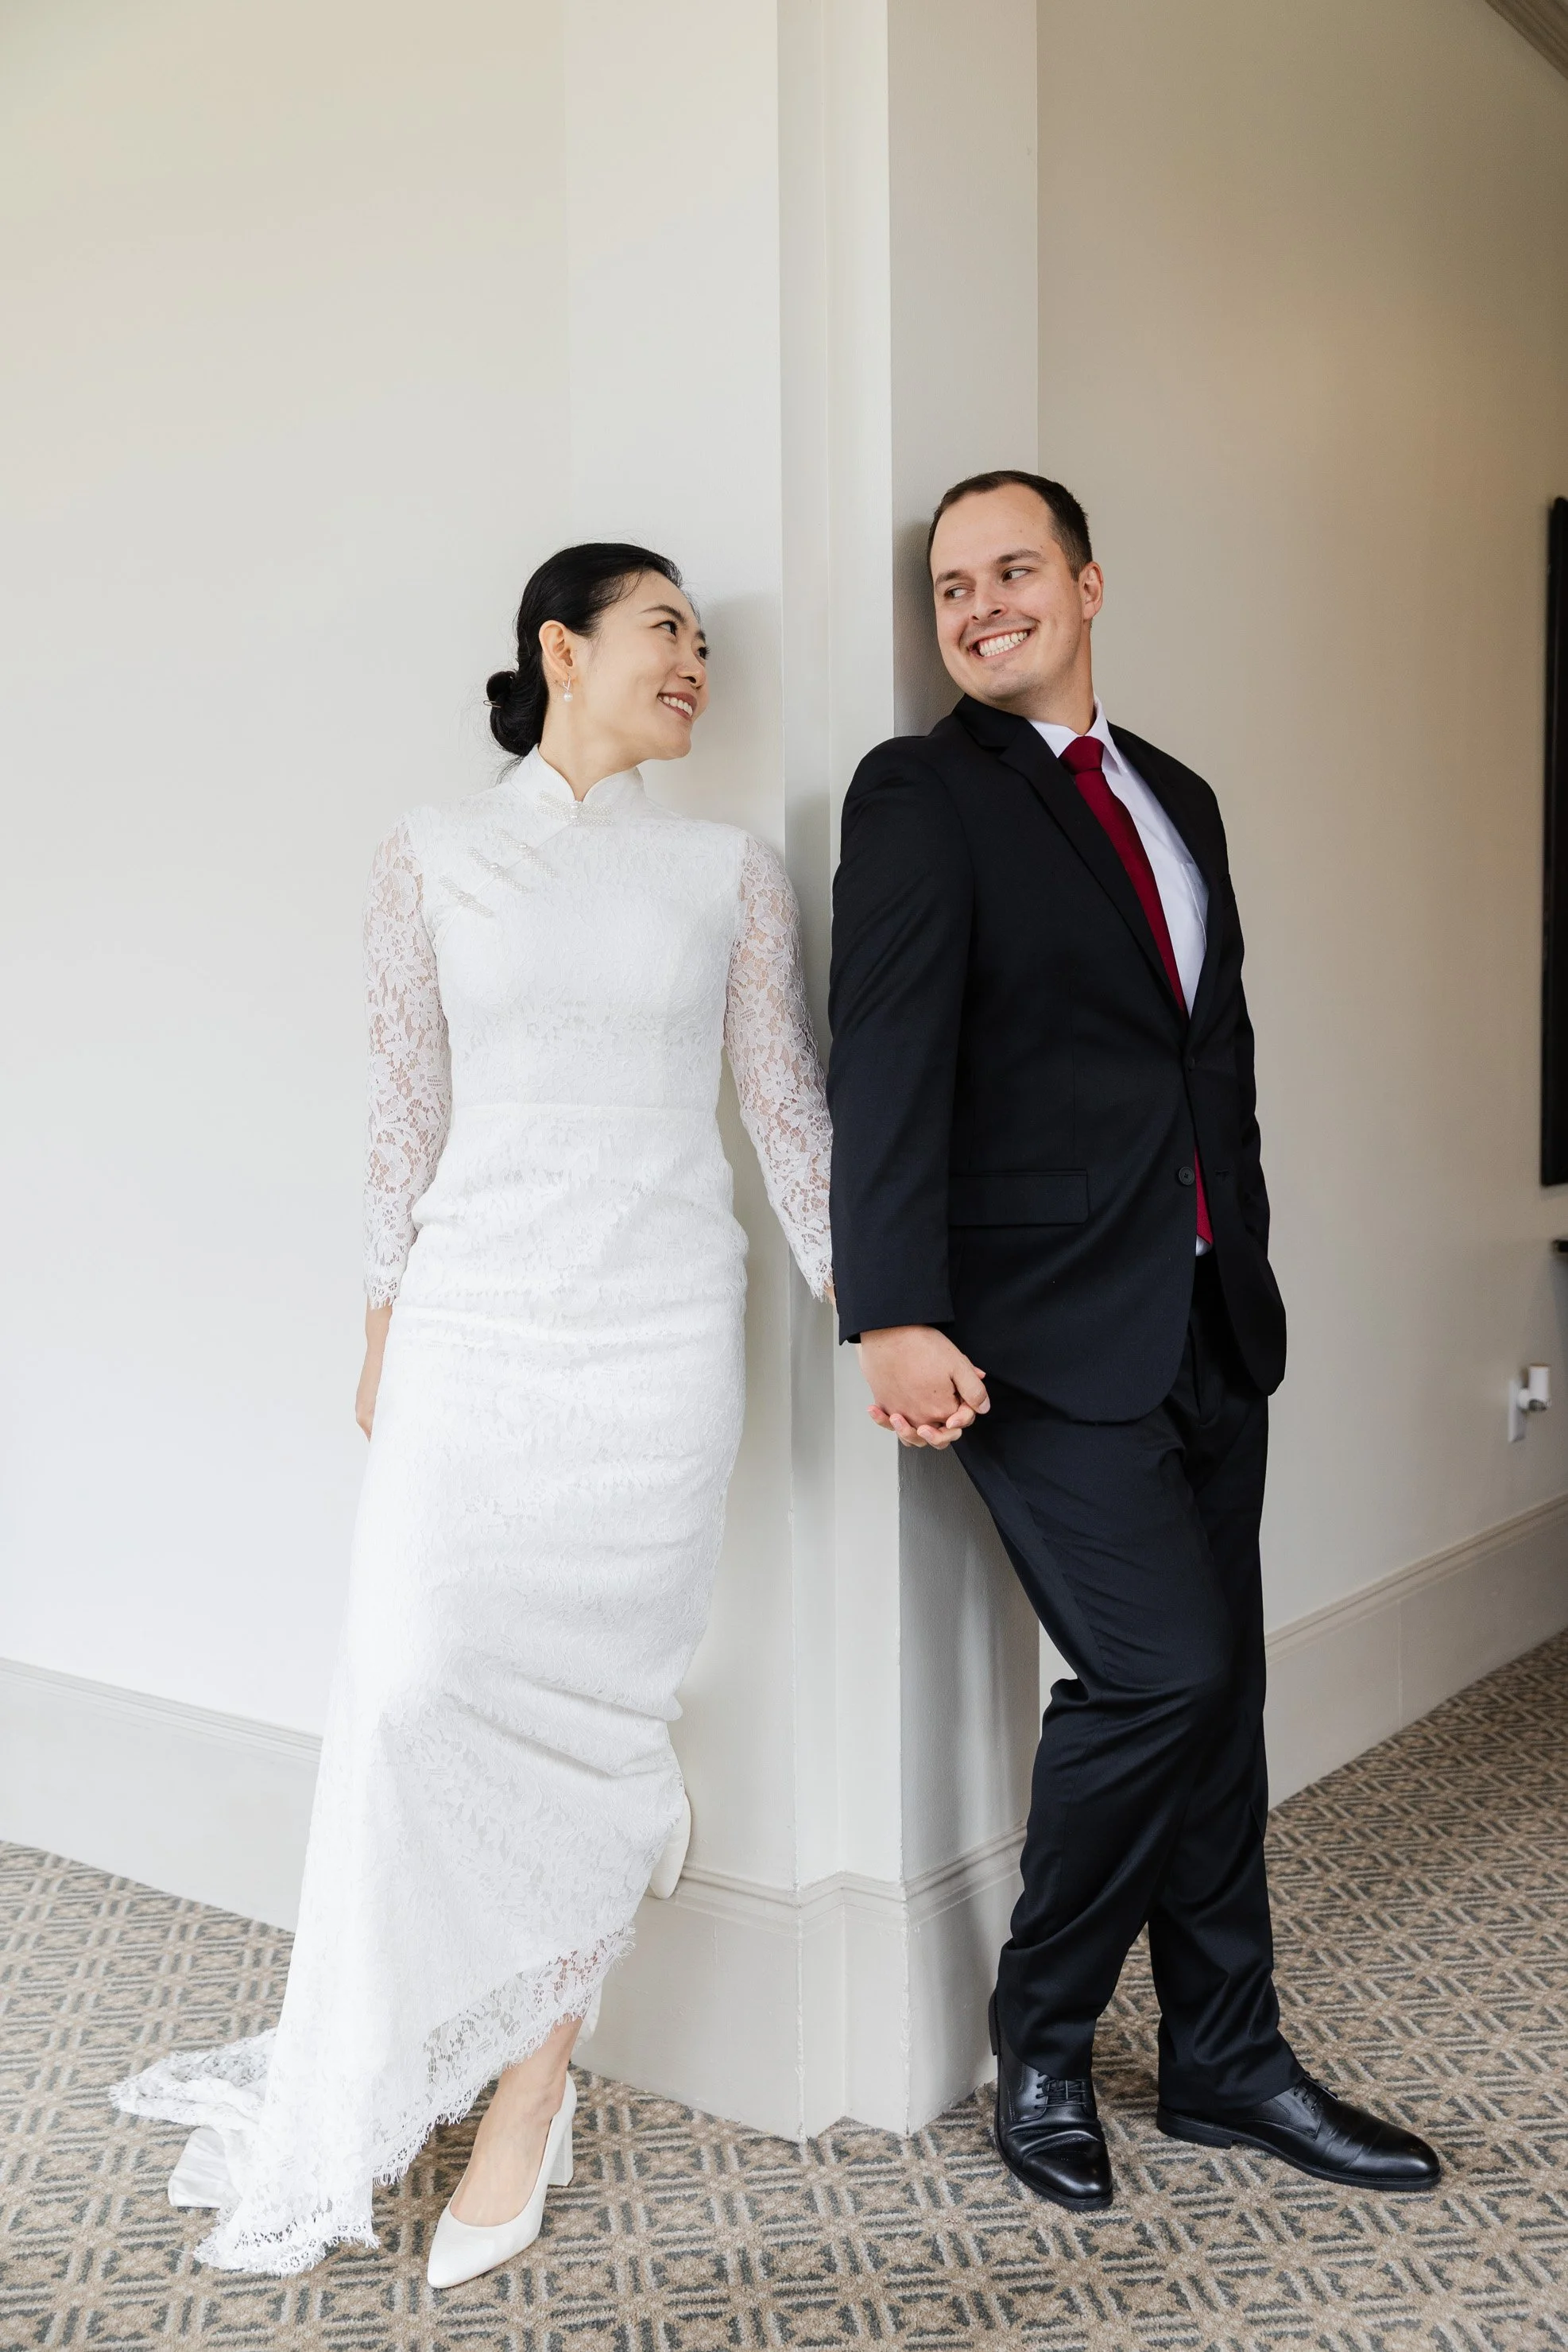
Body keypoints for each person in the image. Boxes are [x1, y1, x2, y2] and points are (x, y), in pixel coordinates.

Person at [112, 544, 833, 2282]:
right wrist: (383, 1314)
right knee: (417, 1684)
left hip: (658, 1334)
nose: (693, 665)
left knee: (600, 1698)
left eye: (705, 644)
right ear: (558, 648)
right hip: (474, 1322)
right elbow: (400, 1109)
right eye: (665, 630)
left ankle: (534, 2079)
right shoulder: (427, 857)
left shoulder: (723, 873)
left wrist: (874, 1314)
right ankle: (458, 1989)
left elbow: (785, 1113)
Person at [826, 471, 1439, 2210]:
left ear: (1088, 585)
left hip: (1197, 1313)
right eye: (949, 587)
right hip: (1026, 1332)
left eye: (1011, 570)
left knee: (1215, 1698)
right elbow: (876, 1057)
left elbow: (1207, 1057)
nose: (977, 606)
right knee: (1154, 1675)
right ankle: (1040, 2035)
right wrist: (888, 1308)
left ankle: (1226, 2062)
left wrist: (1232, 1242)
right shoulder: (920, 794)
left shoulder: (1173, 797)